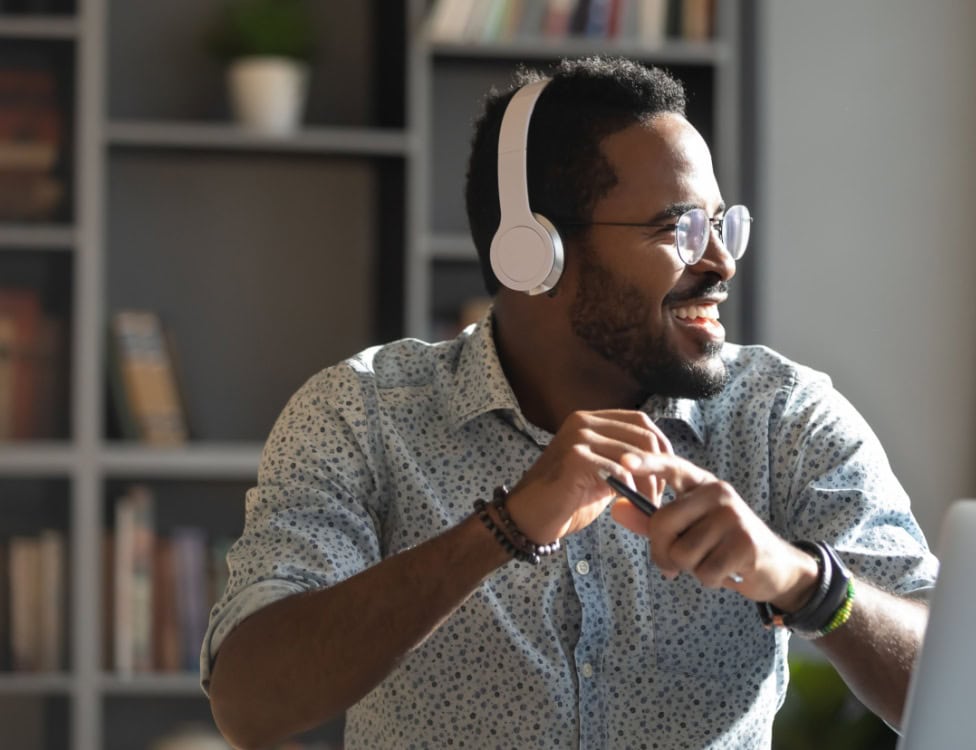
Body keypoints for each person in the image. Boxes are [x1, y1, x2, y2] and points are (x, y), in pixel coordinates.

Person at [201, 57, 937, 750]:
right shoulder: (363, 414)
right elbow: (249, 700)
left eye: (722, 224)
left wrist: (804, 581)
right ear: (533, 252)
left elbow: (969, 680)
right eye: (678, 229)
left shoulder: (782, 419)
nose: (720, 262)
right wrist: (503, 527)